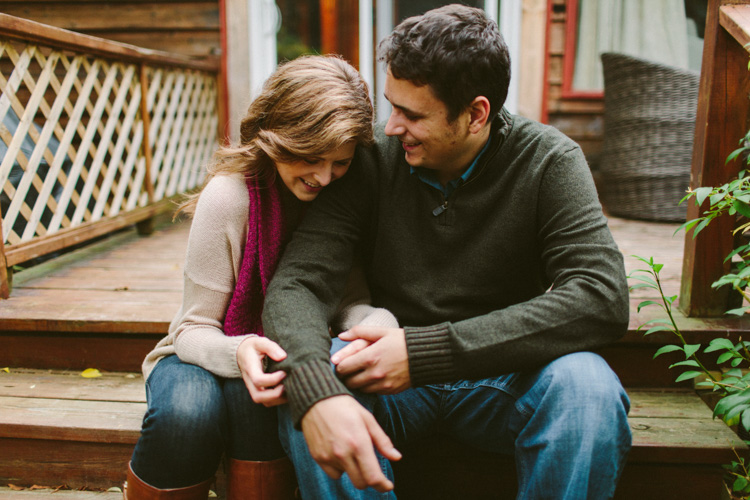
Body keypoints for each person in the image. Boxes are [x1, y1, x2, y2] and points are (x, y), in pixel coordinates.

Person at [262, 5, 633, 499]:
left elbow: (600, 297)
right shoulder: (369, 157)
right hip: (382, 372)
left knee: (588, 389)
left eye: (412, 114)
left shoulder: (549, 161)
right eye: (391, 105)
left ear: (476, 114)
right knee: (310, 388)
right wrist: (318, 393)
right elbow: (298, 283)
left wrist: (424, 353)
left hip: (505, 378)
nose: (391, 126)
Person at [124, 54, 398, 500]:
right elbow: (191, 330)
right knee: (188, 414)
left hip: (285, 357)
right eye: (310, 156)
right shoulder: (230, 197)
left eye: (341, 162)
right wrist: (241, 349)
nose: (324, 177)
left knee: (261, 404)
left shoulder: (342, 195)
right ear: (277, 135)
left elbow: (349, 300)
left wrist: (379, 326)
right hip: (205, 348)